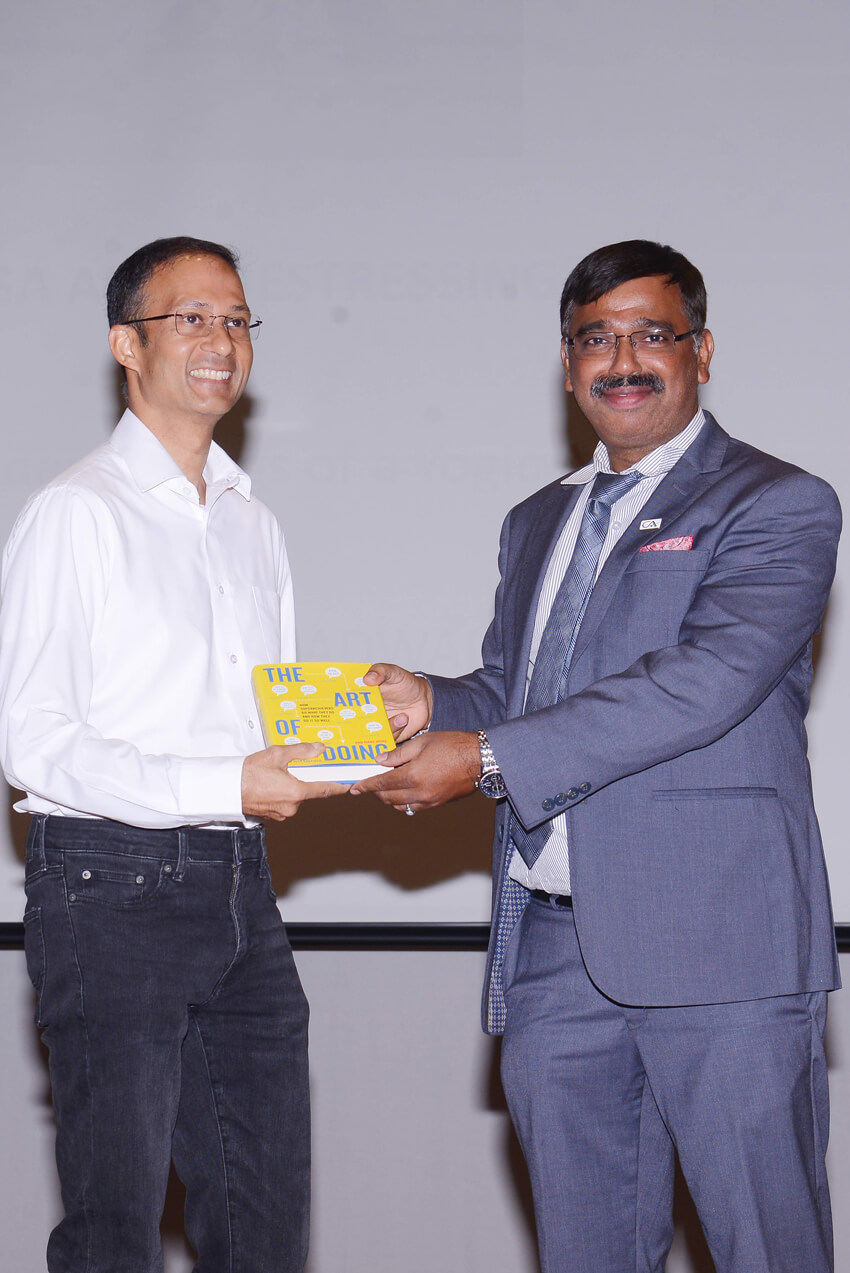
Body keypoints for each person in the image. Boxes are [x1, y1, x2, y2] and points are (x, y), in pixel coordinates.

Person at [352, 240, 842, 1272]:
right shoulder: (538, 520)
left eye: (650, 334)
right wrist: (429, 701)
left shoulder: (777, 502)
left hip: (722, 950)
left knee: (766, 1249)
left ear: (701, 350)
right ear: (568, 362)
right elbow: (519, 689)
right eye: (594, 339)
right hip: (554, 950)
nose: (622, 360)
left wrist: (485, 758)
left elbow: (701, 683)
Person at [0, 236, 346, 1272]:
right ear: (127, 344)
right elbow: (33, 744)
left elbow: (260, 728)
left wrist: (361, 749)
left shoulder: (253, 523)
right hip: (111, 889)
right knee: (115, 1231)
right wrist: (226, 781)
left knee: (263, 1225)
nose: (221, 341)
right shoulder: (76, 511)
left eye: (237, 320)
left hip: (243, 882)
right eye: (190, 317)